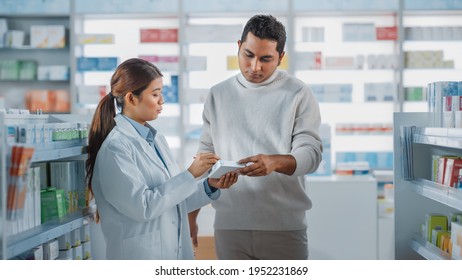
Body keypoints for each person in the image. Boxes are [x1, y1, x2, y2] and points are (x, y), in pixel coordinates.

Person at [188, 15, 323, 260]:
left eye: (266, 59)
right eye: (248, 55)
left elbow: (311, 154)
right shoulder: (218, 94)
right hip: (230, 225)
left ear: (281, 57)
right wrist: (191, 213)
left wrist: (275, 162)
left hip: (283, 228)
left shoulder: (298, 93)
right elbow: (205, 157)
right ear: (238, 46)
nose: (255, 67)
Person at [85, 58, 238, 260]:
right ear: (131, 99)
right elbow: (143, 207)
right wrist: (191, 174)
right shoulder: (115, 148)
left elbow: (173, 200)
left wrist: (209, 185)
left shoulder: (157, 141)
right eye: (155, 94)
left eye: (161, 93)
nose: (162, 101)